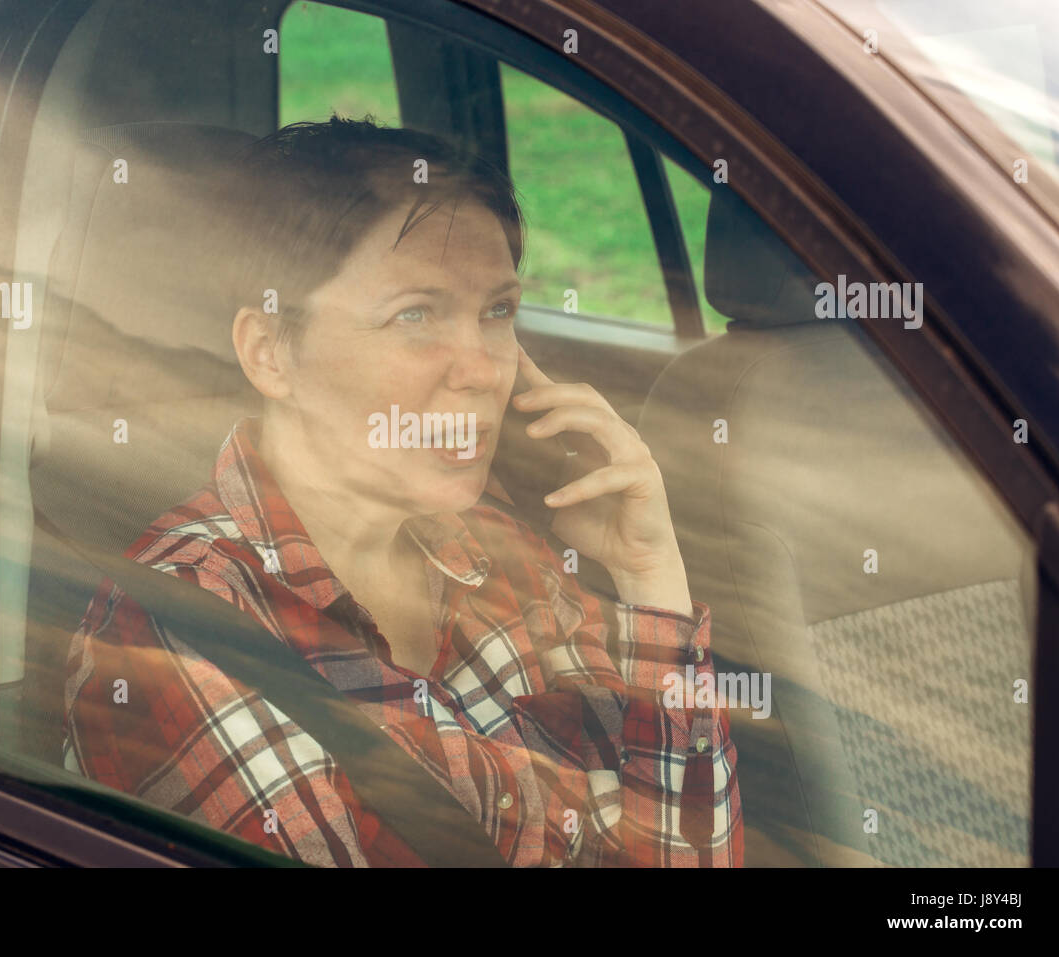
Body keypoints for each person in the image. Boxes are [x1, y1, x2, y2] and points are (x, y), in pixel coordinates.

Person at [63, 117, 742, 867]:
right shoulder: (182, 625)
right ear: (270, 353)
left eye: (498, 311)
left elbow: (678, 853)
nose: (485, 369)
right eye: (415, 315)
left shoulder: (502, 549)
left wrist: (651, 578)